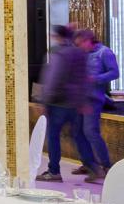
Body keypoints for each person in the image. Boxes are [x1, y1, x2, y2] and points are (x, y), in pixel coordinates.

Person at [36, 24, 97, 181]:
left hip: (58, 102)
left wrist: (44, 100)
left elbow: (53, 77)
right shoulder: (79, 53)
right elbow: (84, 78)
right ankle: (93, 167)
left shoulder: (58, 53)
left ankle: (54, 171)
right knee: (78, 136)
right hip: (75, 103)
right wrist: (83, 101)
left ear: (58, 37)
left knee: (53, 136)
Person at [72, 29, 118, 181]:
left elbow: (115, 73)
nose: (79, 47)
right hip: (80, 98)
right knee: (77, 133)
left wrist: (96, 78)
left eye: (80, 44)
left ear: (88, 40)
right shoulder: (83, 54)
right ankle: (89, 164)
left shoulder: (104, 52)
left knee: (91, 132)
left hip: (93, 99)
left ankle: (106, 165)